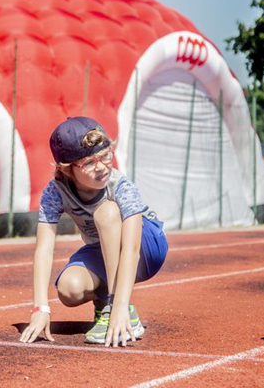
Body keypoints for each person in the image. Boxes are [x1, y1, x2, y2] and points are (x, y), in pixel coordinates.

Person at [19, 116, 167, 346]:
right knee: (69, 289)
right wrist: (41, 308)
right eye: (88, 162)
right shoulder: (55, 192)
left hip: (147, 246)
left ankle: (118, 307)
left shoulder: (120, 186)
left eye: (105, 155)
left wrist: (120, 305)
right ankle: (105, 302)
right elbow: (44, 249)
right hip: (103, 248)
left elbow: (131, 248)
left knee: (105, 212)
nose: (101, 167)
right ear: (67, 169)